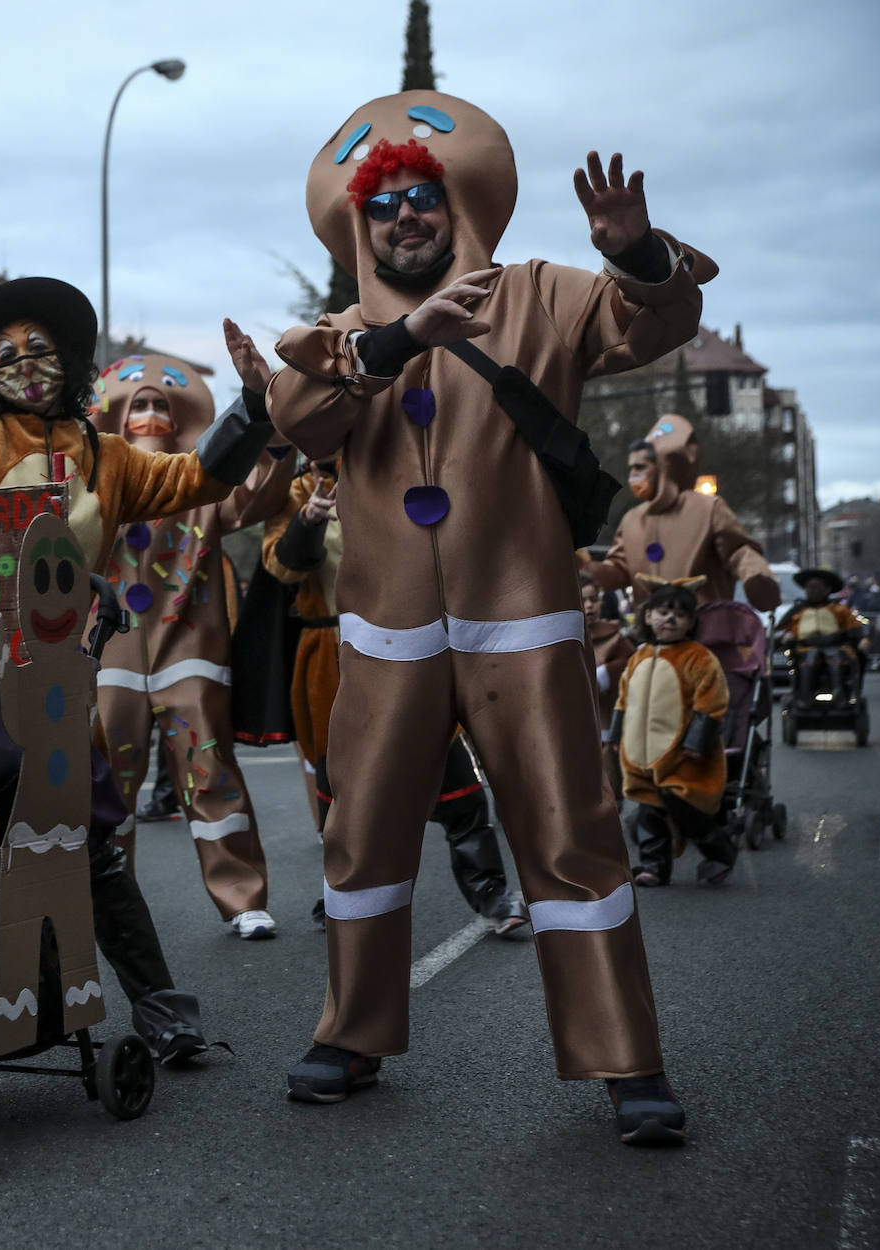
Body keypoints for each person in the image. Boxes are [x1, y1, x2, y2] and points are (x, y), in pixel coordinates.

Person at [267, 90, 714, 1143]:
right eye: (382, 206)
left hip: (524, 621)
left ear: (456, 203)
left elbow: (654, 321)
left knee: (572, 834)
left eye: (421, 196)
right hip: (386, 634)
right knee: (361, 837)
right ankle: (352, 1032)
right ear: (360, 227)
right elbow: (299, 415)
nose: (404, 218)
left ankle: (625, 1057)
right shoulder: (339, 338)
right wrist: (395, 342)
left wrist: (635, 253)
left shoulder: (542, 294)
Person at [0, 277, 279, 1061]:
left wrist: (253, 407)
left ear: (71, 361)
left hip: (53, 687)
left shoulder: (106, 455)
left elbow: (197, 480)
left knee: (86, 842)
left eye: (41, 349)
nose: (26, 364)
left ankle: (161, 1011)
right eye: (8, 354)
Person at [260, 455, 530, 934]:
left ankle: (490, 892)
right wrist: (308, 521)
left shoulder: (398, 469)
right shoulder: (296, 490)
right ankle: (344, 891)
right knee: (344, 789)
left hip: (409, 642)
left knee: (455, 779)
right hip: (334, 654)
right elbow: (283, 567)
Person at [90, 346, 293, 939]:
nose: (150, 415)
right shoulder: (93, 485)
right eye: (138, 405)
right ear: (117, 415)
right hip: (108, 649)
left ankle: (242, 896)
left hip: (189, 646)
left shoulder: (198, 483)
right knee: (106, 781)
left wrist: (276, 436)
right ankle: (107, 904)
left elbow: (256, 497)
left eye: (161, 404)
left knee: (209, 770)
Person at [609, 581, 733, 887]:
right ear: (648, 616)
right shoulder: (638, 656)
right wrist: (616, 735)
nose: (670, 619)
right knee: (649, 810)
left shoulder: (698, 657)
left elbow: (711, 701)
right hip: (640, 753)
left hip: (682, 754)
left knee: (686, 807)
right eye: (663, 612)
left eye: (680, 614)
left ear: (691, 622)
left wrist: (697, 742)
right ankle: (654, 866)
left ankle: (720, 853)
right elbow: (623, 699)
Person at [585, 418, 780, 611]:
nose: (633, 475)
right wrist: (583, 567)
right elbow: (618, 571)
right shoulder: (631, 519)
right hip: (650, 628)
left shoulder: (708, 508)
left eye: (640, 467)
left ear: (664, 466)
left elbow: (739, 552)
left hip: (704, 625)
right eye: (632, 468)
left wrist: (756, 576)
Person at [581, 572, 635, 804]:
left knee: (608, 779)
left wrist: (606, 673)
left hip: (605, 717)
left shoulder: (614, 636)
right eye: (583, 600)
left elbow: (632, 664)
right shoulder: (564, 637)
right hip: (573, 719)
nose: (589, 605)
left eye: (593, 599)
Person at [782, 568, 868, 704]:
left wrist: (861, 639)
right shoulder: (798, 611)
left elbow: (855, 628)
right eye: (810, 587)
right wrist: (788, 635)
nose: (812, 591)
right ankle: (804, 697)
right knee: (808, 660)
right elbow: (785, 628)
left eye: (817, 587)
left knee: (837, 659)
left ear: (827, 589)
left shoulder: (839, 610)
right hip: (805, 648)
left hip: (836, 646)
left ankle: (841, 695)